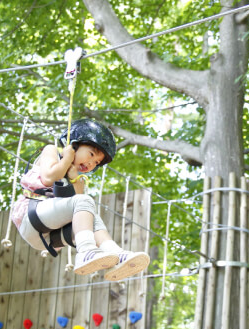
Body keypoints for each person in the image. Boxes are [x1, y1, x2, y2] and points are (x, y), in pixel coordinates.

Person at [11, 119, 150, 281]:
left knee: (89, 214)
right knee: (84, 202)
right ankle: (86, 252)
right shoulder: (53, 152)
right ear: (74, 144)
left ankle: (115, 254)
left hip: (51, 237)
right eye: (91, 154)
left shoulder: (77, 178)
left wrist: (74, 178)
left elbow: (76, 203)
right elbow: (48, 178)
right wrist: (66, 160)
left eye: (96, 162)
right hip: (32, 215)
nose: (91, 163)